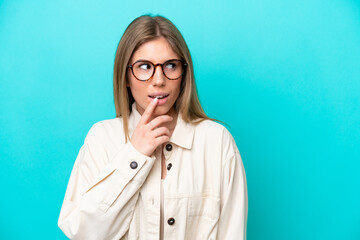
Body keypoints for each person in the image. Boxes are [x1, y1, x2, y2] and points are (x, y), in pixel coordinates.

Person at [58, 14, 248, 240]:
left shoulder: (217, 141)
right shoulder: (101, 138)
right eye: (145, 66)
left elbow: (232, 233)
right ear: (126, 76)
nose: (159, 80)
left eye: (170, 65)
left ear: (183, 73)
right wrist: (135, 154)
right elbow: (84, 233)